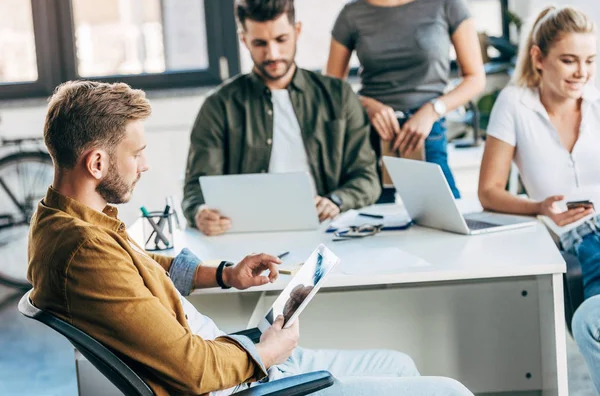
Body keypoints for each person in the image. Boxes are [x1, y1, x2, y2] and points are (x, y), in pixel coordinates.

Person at [28, 80, 473, 395]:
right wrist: (266, 353)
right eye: (137, 154)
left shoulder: (65, 222)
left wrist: (224, 274)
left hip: (236, 359)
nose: (143, 165)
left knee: (400, 365)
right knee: (449, 390)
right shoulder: (83, 251)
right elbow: (191, 369)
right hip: (237, 378)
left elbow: (139, 268)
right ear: (97, 163)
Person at [182, 0, 381, 236]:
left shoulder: (338, 95)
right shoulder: (218, 106)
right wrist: (200, 212)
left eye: (281, 39)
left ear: (297, 31)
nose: (272, 54)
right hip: (246, 239)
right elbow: (196, 188)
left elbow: (367, 178)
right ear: (244, 39)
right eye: (260, 43)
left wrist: (336, 201)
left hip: (328, 234)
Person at [476, 6, 600, 390]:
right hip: (580, 239)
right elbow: (489, 191)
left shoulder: (596, 100)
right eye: (569, 60)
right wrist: (538, 207)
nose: (581, 72)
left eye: (590, 60)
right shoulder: (514, 104)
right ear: (538, 58)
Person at [325, 0, 486, 199]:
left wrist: (432, 111)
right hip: (372, 136)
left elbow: (475, 78)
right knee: (375, 222)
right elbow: (330, 89)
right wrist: (364, 105)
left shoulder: (447, 2)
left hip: (427, 132)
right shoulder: (352, 13)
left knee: (444, 219)